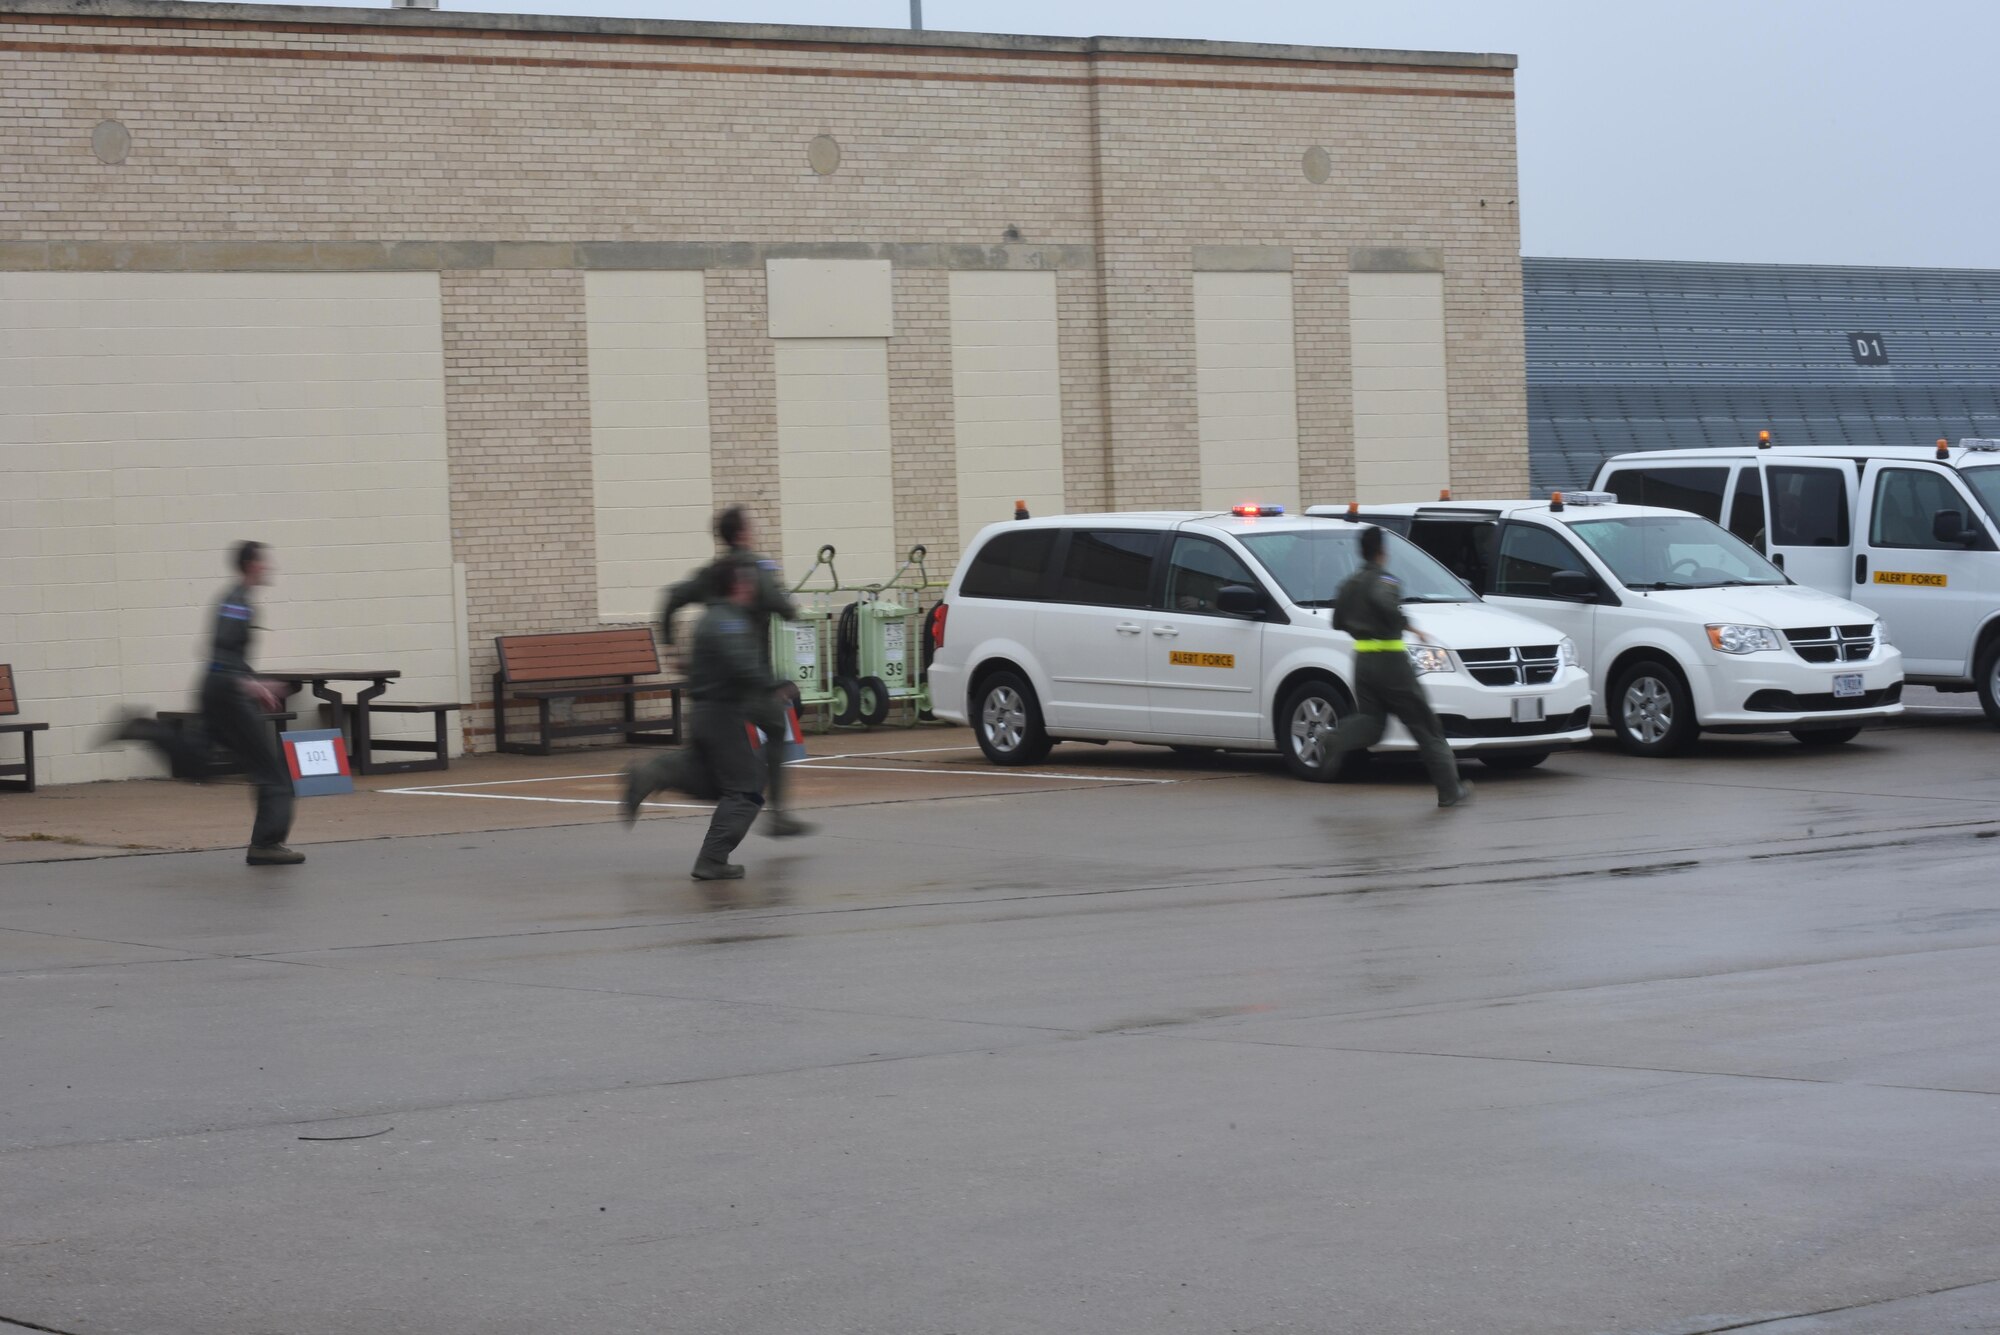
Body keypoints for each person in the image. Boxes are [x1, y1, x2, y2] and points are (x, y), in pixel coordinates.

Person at [107, 541, 303, 863]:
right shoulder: (238, 603)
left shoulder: (237, 600)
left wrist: (257, 683)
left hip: (218, 689)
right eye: (264, 562)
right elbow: (223, 650)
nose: (268, 567)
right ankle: (266, 845)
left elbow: (224, 655)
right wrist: (249, 686)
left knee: (198, 762)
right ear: (251, 565)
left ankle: (148, 731)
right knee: (271, 769)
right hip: (227, 693)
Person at [622, 558, 783, 880]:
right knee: (747, 789)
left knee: (713, 780)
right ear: (737, 586)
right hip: (724, 717)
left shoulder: (712, 618)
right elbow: (741, 664)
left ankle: (652, 773)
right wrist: (775, 686)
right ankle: (712, 859)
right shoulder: (728, 622)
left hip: (707, 713)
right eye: (748, 583)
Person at [658, 506, 812, 837]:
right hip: (750, 681)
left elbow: (671, 598)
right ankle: (779, 813)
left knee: (713, 744)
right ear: (742, 533)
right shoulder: (755, 569)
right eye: (751, 527)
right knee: (774, 725)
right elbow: (787, 610)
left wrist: (671, 648)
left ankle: (662, 775)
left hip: (714, 686)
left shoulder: (712, 573)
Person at [1324, 526, 1473, 808]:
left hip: (1363, 662)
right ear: (1383, 551)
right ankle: (1450, 790)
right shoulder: (1385, 580)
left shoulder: (1349, 584)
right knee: (1426, 727)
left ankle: (1335, 737)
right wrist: (1403, 623)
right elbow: (1384, 603)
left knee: (1371, 723)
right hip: (1392, 663)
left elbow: (1337, 622)